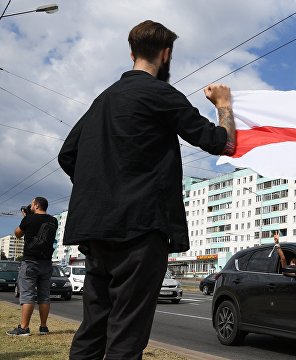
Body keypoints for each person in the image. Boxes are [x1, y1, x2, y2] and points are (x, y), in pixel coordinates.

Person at [57, 20, 236, 359]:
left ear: (131, 52)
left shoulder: (102, 100)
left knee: (93, 329)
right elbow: (221, 142)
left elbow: (68, 155)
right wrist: (223, 104)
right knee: (127, 334)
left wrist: (102, 189)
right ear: (166, 54)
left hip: (95, 232)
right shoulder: (161, 95)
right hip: (140, 230)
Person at [7, 197, 58, 336]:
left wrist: (26, 217)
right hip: (47, 262)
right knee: (44, 296)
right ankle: (43, 327)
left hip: (30, 262)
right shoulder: (54, 220)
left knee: (28, 294)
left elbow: (17, 234)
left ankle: (24, 328)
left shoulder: (29, 219)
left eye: (32, 204)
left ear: (35, 205)